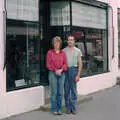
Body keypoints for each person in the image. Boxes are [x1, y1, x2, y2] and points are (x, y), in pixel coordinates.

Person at [46, 36, 67, 115]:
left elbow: (65, 64)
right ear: (53, 44)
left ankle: (59, 109)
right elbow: (48, 64)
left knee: (60, 92)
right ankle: (54, 109)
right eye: (55, 42)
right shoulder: (49, 53)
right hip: (52, 73)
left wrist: (61, 70)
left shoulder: (63, 53)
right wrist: (55, 70)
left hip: (62, 73)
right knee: (54, 92)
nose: (56, 44)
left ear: (60, 44)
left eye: (58, 42)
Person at [63, 35, 82, 115]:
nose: (70, 41)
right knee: (66, 90)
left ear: (74, 41)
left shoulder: (78, 51)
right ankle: (68, 108)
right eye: (69, 40)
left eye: (71, 40)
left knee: (73, 90)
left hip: (73, 70)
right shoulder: (63, 51)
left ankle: (73, 108)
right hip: (66, 71)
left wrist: (78, 74)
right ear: (67, 41)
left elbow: (80, 63)